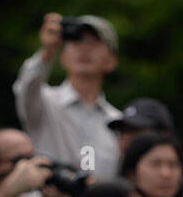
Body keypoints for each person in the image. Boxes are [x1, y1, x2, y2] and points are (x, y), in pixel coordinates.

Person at [14, 12, 121, 179]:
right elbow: (26, 87)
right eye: (75, 41)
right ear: (62, 58)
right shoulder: (45, 102)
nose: (84, 48)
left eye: (94, 42)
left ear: (112, 61)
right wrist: (47, 53)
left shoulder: (116, 122)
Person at [107, 98, 183, 197]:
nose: (127, 139)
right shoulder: (108, 183)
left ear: (165, 134)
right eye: (123, 131)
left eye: (137, 131)